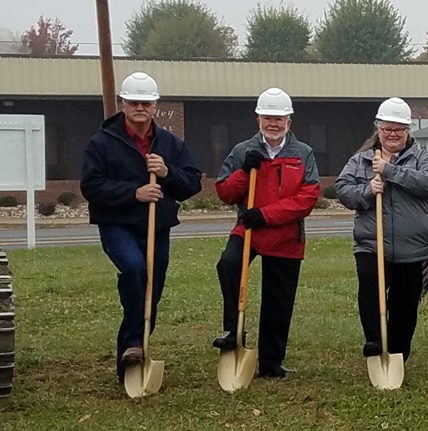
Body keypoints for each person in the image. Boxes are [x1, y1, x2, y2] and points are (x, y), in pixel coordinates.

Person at [81, 71, 203, 384]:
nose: (140, 107)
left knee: (152, 289)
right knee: (135, 269)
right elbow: (91, 186)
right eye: (133, 101)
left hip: (157, 227)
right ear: (122, 104)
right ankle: (133, 344)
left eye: (146, 102)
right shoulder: (102, 143)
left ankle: (134, 355)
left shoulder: (169, 143)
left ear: (155, 106)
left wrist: (166, 172)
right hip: (117, 224)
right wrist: (134, 193)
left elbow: (191, 183)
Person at [211, 88, 320, 379]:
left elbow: (307, 198)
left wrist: (266, 215)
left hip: (285, 236)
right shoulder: (242, 151)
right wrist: (244, 172)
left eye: (279, 119)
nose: (273, 124)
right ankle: (234, 330)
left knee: (278, 300)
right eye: (267, 118)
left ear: (289, 122)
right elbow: (224, 192)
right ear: (258, 119)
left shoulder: (303, 153)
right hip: (247, 231)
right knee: (229, 265)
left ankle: (271, 362)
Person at [334, 97, 428, 363]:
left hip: (413, 246)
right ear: (378, 129)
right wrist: (368, 190)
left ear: (408, 130)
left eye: (399, 129)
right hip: (372, 243)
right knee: (370, 288)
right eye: (387, 129)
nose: (393, 134)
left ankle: (397, 353)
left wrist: (390, 171)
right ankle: (374, 340)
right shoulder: (360, 161)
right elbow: (344, 191)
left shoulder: (422, 158)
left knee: (405, 304)